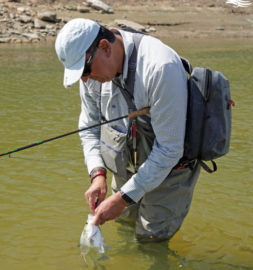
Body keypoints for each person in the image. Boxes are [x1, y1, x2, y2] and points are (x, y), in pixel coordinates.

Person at [55, 18, 200, 241]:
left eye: (84, 70)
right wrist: (97, 173)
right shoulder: (93, 74)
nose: (84, 80)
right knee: (122, 223)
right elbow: (88, 128)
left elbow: (169, 150)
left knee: (151, 239)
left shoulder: (161, 68)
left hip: (171, 166)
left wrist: (123, 198)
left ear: (105, 47)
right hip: (128, 161)